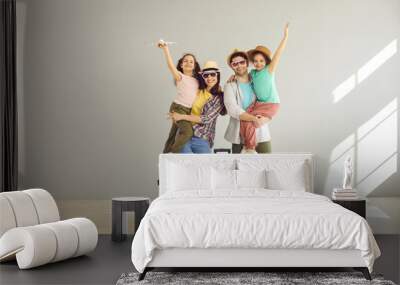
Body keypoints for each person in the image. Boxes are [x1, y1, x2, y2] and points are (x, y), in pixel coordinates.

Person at [240, 23, 289, 153]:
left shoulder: (269, 70)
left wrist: (285, 37)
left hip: (271, 104)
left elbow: (279, 53)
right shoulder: (253, 74)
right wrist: (232, 77)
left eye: (261, 61)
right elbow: (242, 77)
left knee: (256, 122)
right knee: (246, 119)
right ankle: (249, 145)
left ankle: (250, 147)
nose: (258, 63)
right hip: (259, 104)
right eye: (255, 61)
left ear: (266, 61)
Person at [169, 61, 226, 153]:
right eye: (206, 75)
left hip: (202, 138)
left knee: (204, 166)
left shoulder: (219, 98)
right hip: (185, 134)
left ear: (217, 76)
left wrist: (181, 116)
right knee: (183, 165)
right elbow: (184, 98)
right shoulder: (197, 89)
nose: (210, 78)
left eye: (212, 74)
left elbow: (206, 118)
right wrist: (175, 112)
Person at [224, 50, 271, 153]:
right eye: (235, 64)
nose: (239, 66)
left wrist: (266, 118)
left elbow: (269, 100)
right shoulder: (229, 85)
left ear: (247, 63)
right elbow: (232, 109)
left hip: (261, 130)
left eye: (242, 62)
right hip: (240, 133)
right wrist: (253, 118)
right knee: (240, 167)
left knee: (267, 164)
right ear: (231, 66)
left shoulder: (257, 80)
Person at [158, 40, 201, 153]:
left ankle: (166, 154)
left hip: (188, 111)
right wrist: (165, 49)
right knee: (187, 132)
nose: (188, 63)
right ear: (181, 65)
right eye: (185, 61)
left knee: (173, 134)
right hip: (178, 108)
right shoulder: (180, 76)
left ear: (195, 65)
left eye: (191, 61)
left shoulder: (197, 80)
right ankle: (173, 153)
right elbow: (170, 65)